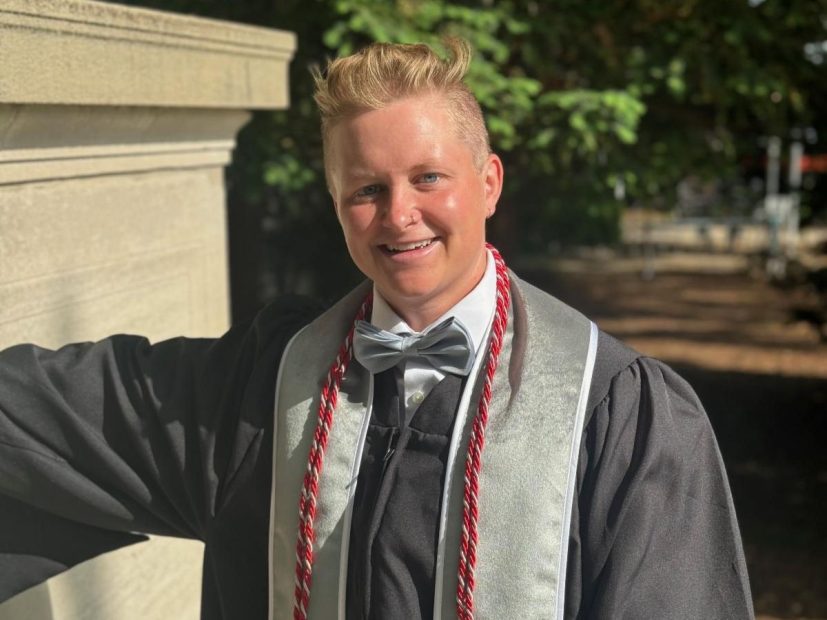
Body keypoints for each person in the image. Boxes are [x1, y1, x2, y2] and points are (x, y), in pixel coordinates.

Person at [0, 39, 752, 619]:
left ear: (487, 181)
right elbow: (38, 415)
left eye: (428, 178)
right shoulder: (261, 388)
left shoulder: (618, 414)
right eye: (366, 189)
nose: (398, 215)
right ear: (335, 202)